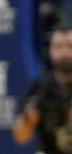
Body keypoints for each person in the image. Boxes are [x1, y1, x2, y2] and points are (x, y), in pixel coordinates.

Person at [13, 25, 72, 154]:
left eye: (70, 46)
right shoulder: (39, 87)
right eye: (58, 47)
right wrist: (30, 119)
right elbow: (21, 137)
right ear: (50, 50)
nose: (65, 53)